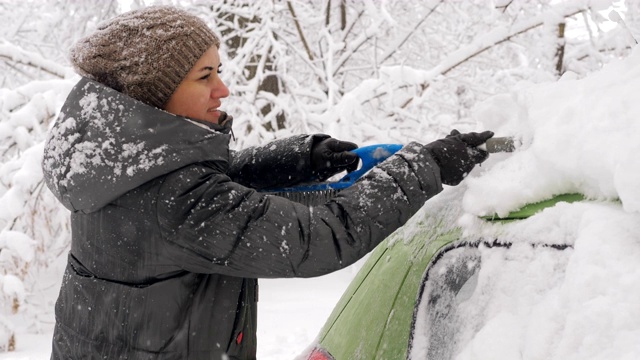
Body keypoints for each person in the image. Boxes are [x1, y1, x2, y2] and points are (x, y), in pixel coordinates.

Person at [41, 5, 493, 360]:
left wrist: (297, 160)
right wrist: (427, 165)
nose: (223, 90)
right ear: (155, 98)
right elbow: (320, 239)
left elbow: (204, 180)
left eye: (219, 71)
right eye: (205, 77)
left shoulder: (116, 168)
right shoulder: (176, 202)